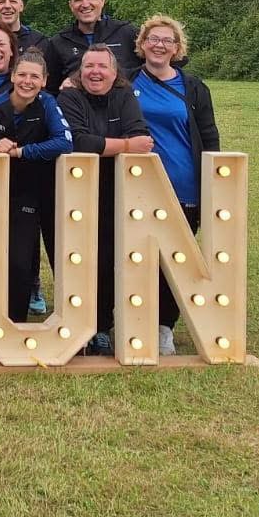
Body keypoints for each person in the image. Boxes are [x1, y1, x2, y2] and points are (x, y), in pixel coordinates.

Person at [131, 15, 221, 356]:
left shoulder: (194, 87)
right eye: (153, 39)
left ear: (177, 48)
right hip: (137, 190)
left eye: (167, 40)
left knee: (174, 261)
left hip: (184, 187)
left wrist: (211, 186)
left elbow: (209, 136)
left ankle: (163, 327)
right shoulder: (125, 83)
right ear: (141, 45)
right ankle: (130, 320)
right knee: (137, 257)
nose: (159, 45)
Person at [0, 50, 74, 352]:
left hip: (29, 193)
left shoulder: (48, 105)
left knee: (19, 261)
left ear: (44, 81)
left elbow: (64, 143)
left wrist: (20, 152)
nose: (27, 81)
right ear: (13, 76)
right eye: (23, 75)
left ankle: (13, 325)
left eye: (34, 76)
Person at [57, 45, 153, 354]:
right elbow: (79, 142)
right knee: (79, 261)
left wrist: (109, 145)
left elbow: (143, 136)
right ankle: (77, 327)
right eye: (88, 67)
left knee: (112, 260)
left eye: (102, 66)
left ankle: (101, 327)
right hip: (76, 195)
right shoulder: (69, 96)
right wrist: (125, 144)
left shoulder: (125, 96)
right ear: (80, 72)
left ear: (115, 72)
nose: (95, 72)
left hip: (119, 192)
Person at [45, 0, 140, 91]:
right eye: (78, 0)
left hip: (122, 107)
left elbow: (155, 69)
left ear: (102, 0)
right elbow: (49, 89)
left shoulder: (127, 33)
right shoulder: (58, 43)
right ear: (71, 5)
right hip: (78, 108)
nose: (85, 4)